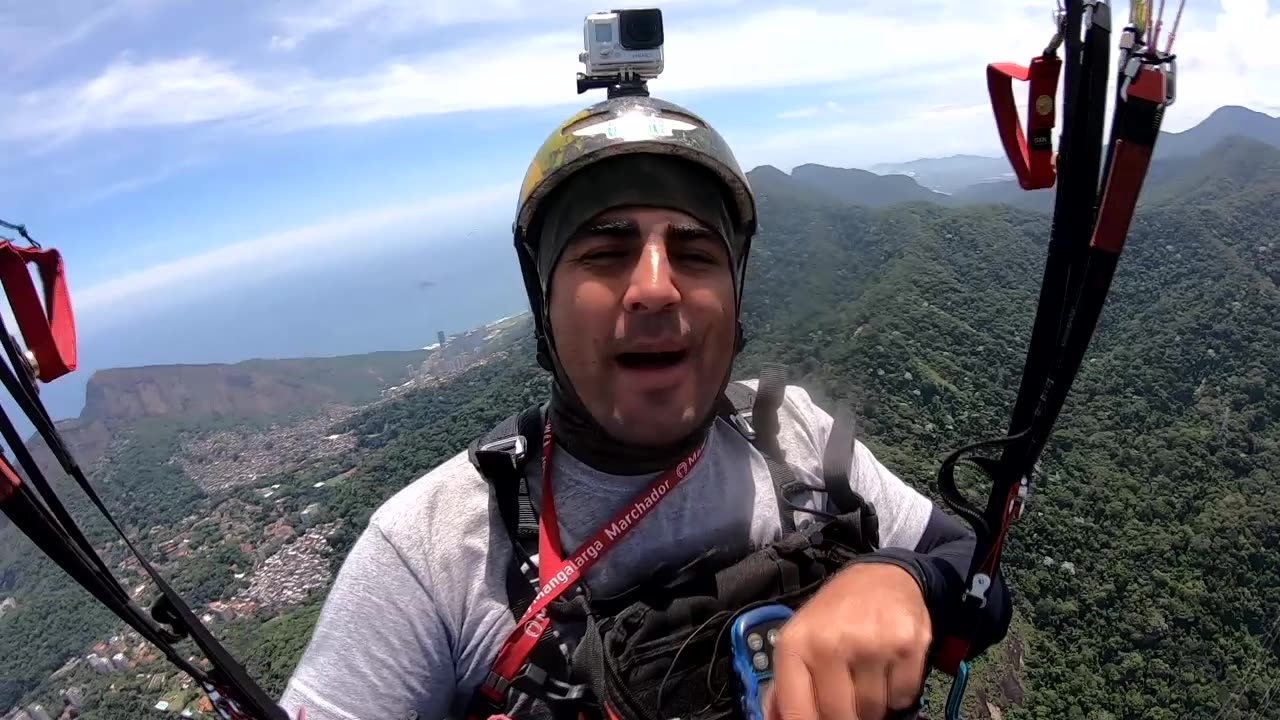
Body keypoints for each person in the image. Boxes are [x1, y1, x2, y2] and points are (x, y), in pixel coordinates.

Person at [278, 93, 1012, 720]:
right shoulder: (433, 554)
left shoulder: (791, 436)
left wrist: (905, 581)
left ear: (735, 293)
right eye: (604, 252)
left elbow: (977, 578)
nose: (656, 287)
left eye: (695, 252)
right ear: (546, 304)